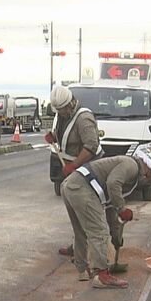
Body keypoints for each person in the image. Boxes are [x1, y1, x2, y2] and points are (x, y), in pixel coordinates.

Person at [61, 148, 151, 288]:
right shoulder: (132, 166)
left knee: (81, 230)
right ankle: (102, 276)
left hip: (71, 185)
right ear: (150, 167)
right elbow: (113, 184)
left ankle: (83, 270)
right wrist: (122, 208)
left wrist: (116, 234)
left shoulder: (130, 169)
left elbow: (110, 206)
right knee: (99, 232)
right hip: (82, 188)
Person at [45, 85, 103, 257]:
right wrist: (53, 137)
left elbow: (91, 146)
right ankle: (78, 246)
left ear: (70, 104)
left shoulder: (84, 118)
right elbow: (65, 135)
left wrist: (74, 165)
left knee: (85, 210)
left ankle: (88, 251)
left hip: (88, 170)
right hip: (75, 170)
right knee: (75, 211)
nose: (60, 113)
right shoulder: (63, 116)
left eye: (62, 109)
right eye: (58, 110)